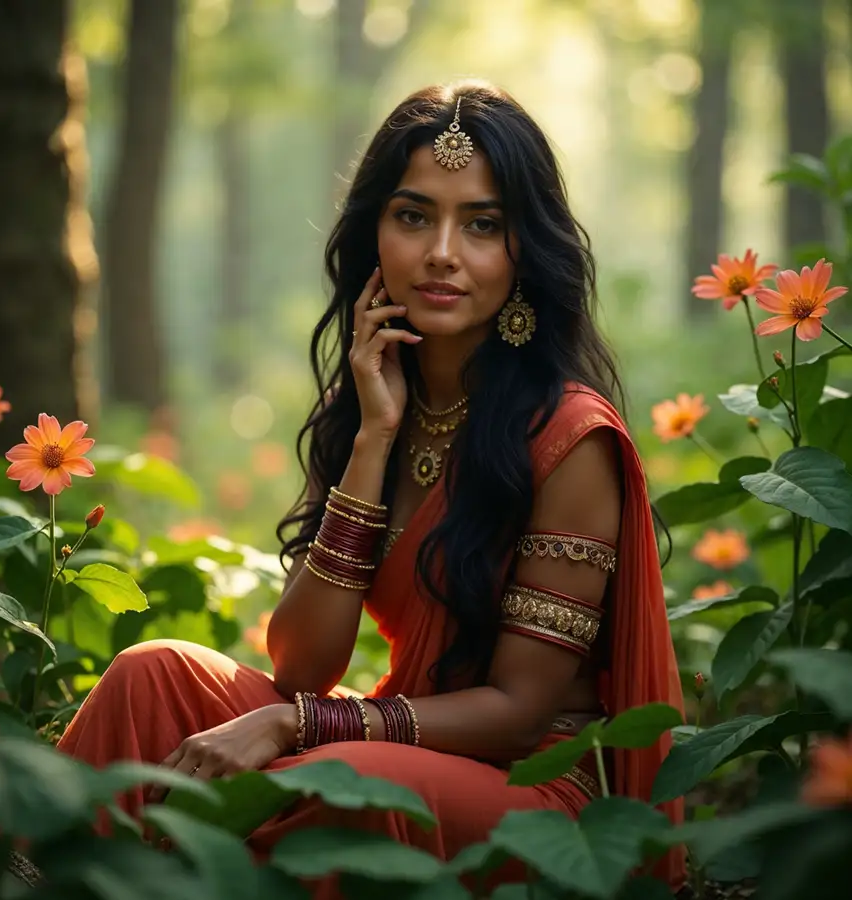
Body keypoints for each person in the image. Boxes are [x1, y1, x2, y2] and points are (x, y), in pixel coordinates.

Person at [57, 81, 687, 894]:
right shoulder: (375, 407)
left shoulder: (569, 441)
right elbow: (299, 667)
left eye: (483, 224)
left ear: (525, 251)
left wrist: (296, 725)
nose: (442, 253)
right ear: (375, 235)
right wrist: (372, 445)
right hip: (393, 740)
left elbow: (521, 710)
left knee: (343, 777)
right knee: (153, 671)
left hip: (529, 788)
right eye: (414, 215)